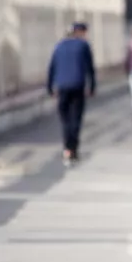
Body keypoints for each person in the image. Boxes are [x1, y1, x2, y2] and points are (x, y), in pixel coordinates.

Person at [47, 22, 96, 165]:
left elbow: (52, 67)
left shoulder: (59, 46)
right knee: (76, 118)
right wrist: (92, 86)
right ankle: (73, 149)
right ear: (79, 32)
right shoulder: (83, 46)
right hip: (78, 86)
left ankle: (67, 148)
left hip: (61, 87)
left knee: (65, 119)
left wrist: (50, 87)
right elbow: (90, 69)